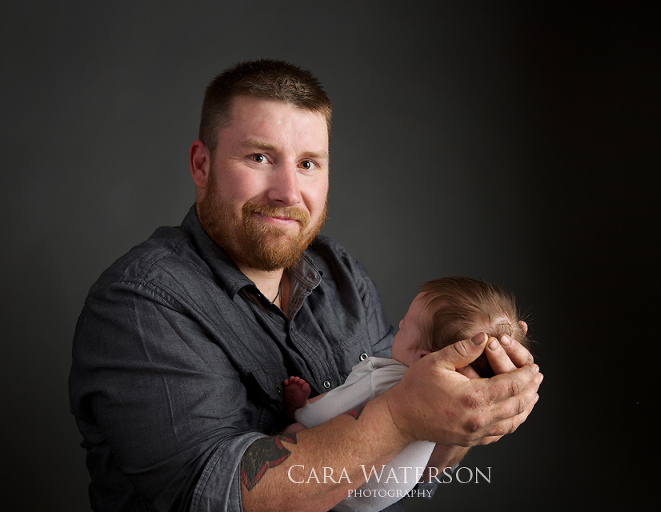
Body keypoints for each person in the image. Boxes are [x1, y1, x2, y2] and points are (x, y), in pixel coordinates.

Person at [69, 59, 543, 512]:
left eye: (309, 164)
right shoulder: (139, 304)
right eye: (260, 157)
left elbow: (405, 478)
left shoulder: (342, 275)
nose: (289, 192)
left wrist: (462, 417)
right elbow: (214, 497)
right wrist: (401, 416)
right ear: (201, 165)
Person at [282, 276, 531, 512]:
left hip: (341, 487)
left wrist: (303, 410)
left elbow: (335, 405)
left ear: (424, 359)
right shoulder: (453, 405)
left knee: (296, 432)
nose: (399, 324)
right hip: (384, 496)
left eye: (406, 327)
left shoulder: (391, 377)